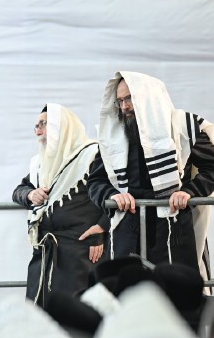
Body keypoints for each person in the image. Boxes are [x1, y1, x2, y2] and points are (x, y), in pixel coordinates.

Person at [87, 71, 214, 273]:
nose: (124, 106)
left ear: (148, 97)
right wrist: (112, 196)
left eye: (129, 98)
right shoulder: (113, 137)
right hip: (127, 232)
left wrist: (189, 191)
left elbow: (211, 168)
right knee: (127, 289)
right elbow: (95, 182)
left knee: (173, 289)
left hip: (172, 231)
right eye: (120, 101)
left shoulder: (183, 127)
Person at [12, 104, 108, 306]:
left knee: (75, 314)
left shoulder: (92, 154)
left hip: (80, 251)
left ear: (61, 126)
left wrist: (101, 230)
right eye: (36, 126)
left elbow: (113, 192)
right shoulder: (40, 164)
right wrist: (31, 194)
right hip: (44, 251)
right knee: (39, 314)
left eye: (43, 124)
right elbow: (19, 190)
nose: (38, 131)